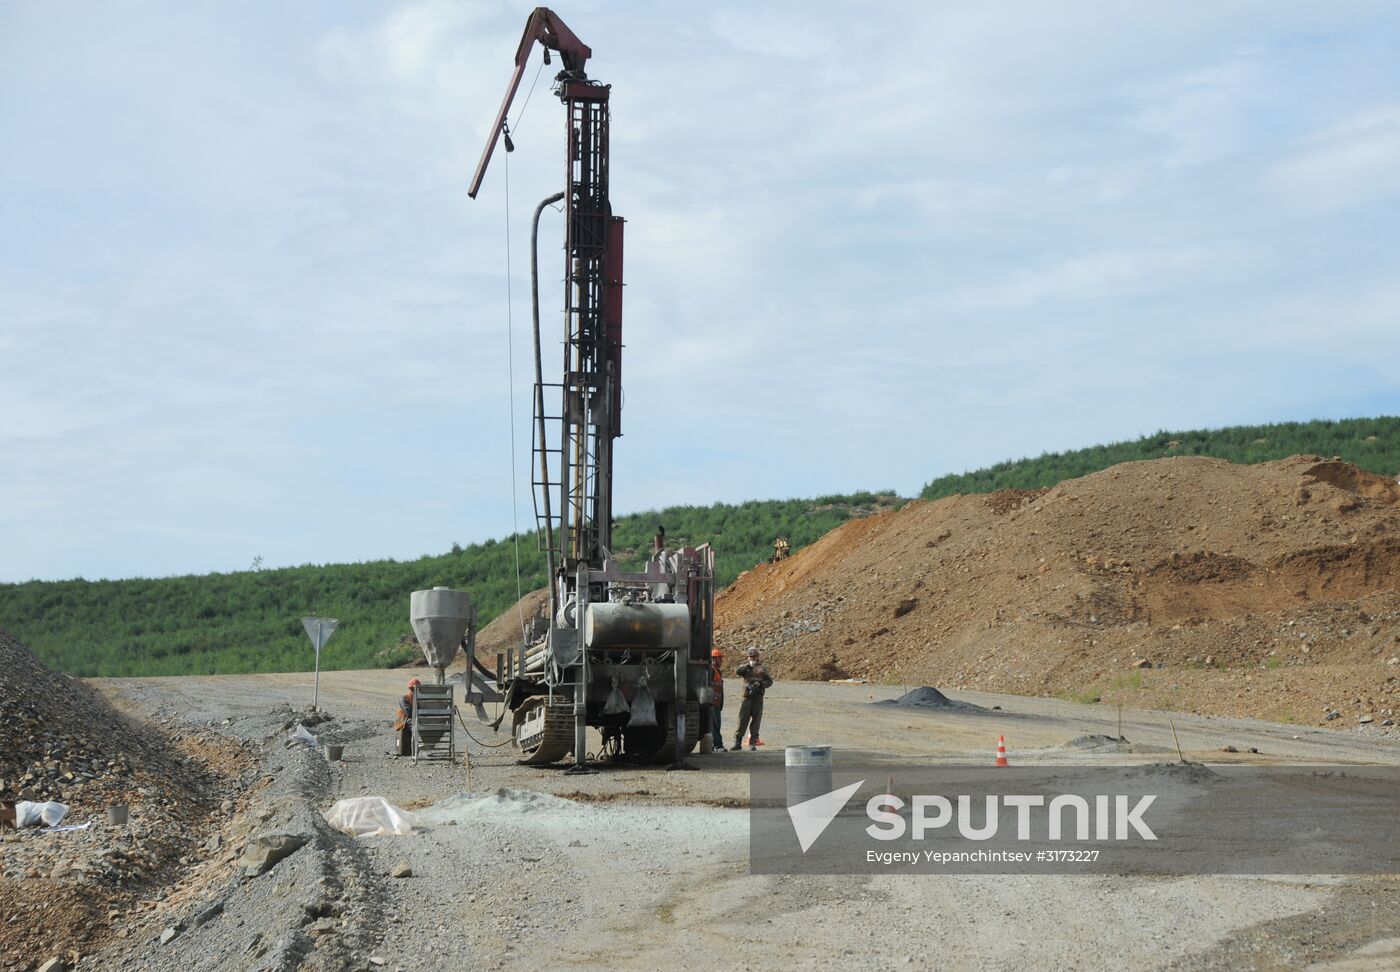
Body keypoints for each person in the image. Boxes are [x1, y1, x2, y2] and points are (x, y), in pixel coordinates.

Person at [733, 647, 773, 751]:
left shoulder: (762, 668)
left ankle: (753, 743)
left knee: (756, 721)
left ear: (758, 657)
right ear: (747, 657)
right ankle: (737, 743)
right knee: (742, 720)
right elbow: (737, 672)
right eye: (750, 656)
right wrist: (747, 666)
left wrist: (760, 684)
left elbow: (769, 681)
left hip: (758, 697)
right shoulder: (745, 668)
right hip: (746, 697)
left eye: (754, 656)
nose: (752, 658)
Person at [394, 677, 421, 757]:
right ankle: (417, 747)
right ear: (411, 688)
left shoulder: (417, 698)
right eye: (414, 688)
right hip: (403, 721)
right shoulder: (404, 698)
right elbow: (409, 713)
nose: (415, 690)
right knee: (415, 725)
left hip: (411, 718)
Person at [709, 647, 726, 752]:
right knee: (714, 725)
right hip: (713, 702)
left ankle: (712, 745)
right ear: (714, 659)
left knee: (715, 725)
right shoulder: (711, 670)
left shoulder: (717, 670)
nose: (721, 661)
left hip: (716, 703)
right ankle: (718, 745)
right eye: (719, 658)